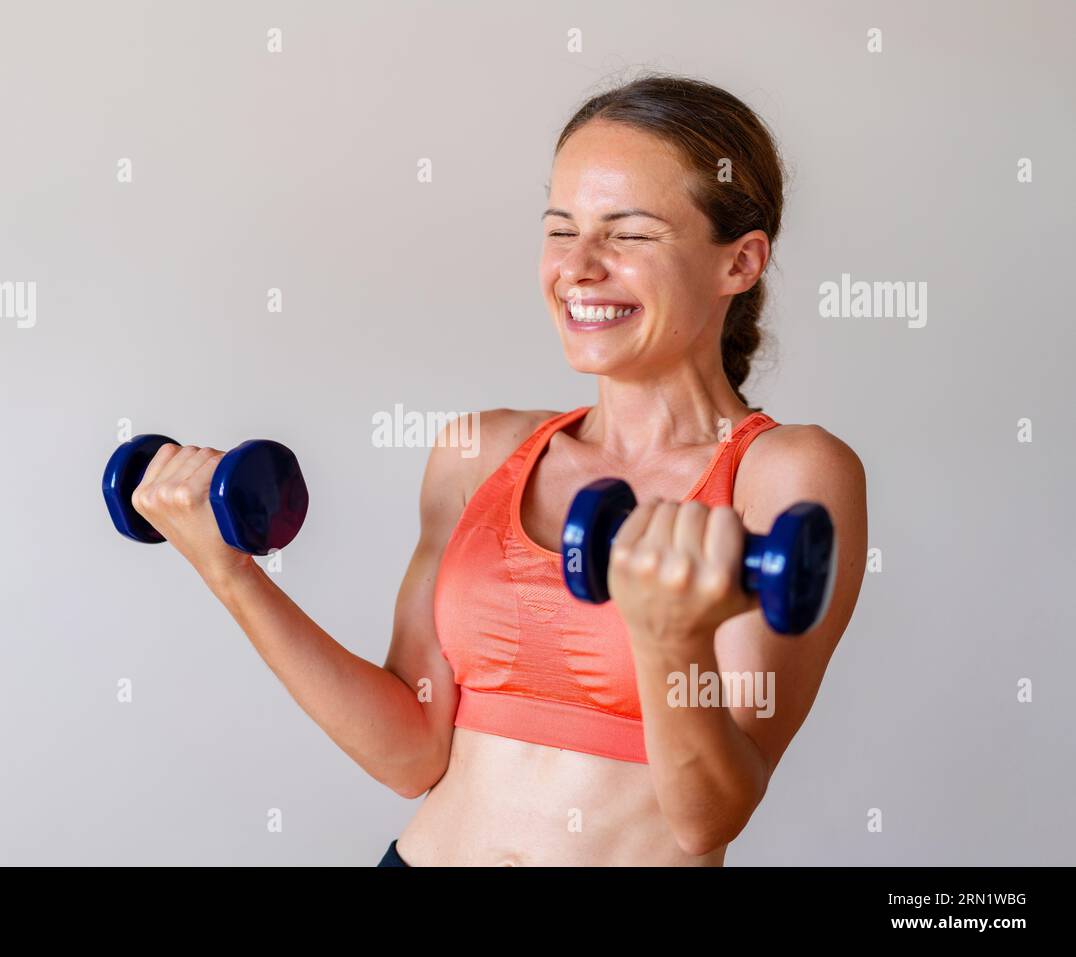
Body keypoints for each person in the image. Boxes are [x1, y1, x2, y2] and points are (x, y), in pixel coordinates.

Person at [130, 74, 868, 866]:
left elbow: (709, 817)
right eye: (561, 229)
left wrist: (670, 636)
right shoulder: (475, 453)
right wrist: (232, 570)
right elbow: (410, 753)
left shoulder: (783, 476)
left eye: (630, 234)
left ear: (740, 262)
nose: (579, 266)